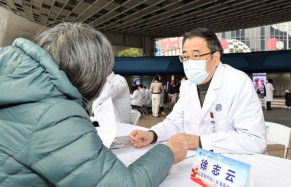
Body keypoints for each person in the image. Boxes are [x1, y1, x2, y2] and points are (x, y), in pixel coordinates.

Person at [0, 22, 187, 186]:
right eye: (104, 74)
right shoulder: (54, 116)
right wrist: (167, 153)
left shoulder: (19, 87)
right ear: (87, 74)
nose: (105, 82)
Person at [130, 28, 266, 154]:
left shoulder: (238, 82)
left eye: (196, 55)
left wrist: (199, 141)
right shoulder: (187, 85)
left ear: (216, 58)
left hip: (235, 163)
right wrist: (152, 134)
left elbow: (254, 140)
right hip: (197, 161)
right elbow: (175, 122)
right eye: (185, 56)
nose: (189, 62)